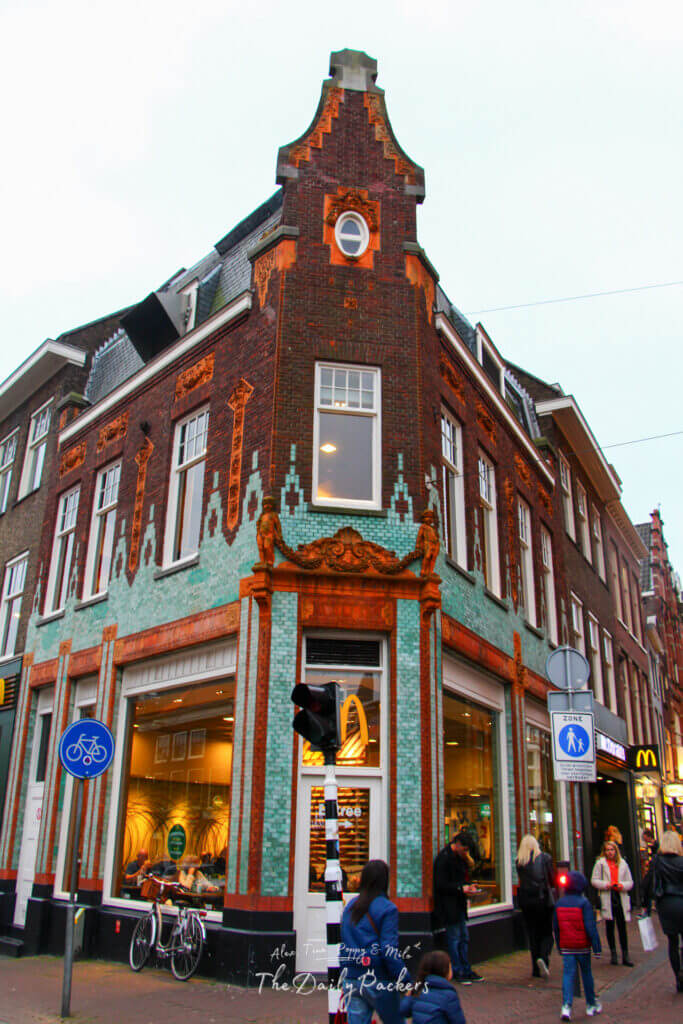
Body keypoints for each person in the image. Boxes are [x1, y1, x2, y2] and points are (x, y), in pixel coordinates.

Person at [340, 859, 410, 1024]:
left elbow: (344, 941)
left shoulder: (350, 906)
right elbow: (388, 949)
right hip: (378, 977)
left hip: (352, 976)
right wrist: (404, 978)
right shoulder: (387, 908)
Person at [433, 832, 484, 984]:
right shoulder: (444, 858)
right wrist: (461, 889)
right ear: (458, 844)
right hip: (449, 907)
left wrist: (467, 887)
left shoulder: (458, 859)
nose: (466, 852)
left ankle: (466, 968)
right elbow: (440, 884)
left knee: (463, 938)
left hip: (458, 906)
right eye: (465, 849)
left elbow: (459, 880)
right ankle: (458, 970)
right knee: (455, 938)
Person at [552, 870, 602, 1020]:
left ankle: (566, 1006)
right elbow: (590, 927)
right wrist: (597, 947)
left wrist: (559, 946)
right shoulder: (584, 903)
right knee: (586, 973)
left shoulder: (559, 903)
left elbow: (556, 927)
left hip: (567, 945)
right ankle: (591, 1004)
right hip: (582, 946)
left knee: (568, 974)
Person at [642, 829, 683, 993]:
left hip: (666, 904)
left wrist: (646, 904)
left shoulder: (657, 861)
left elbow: (647, 884)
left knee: (672, 942)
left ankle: (678, 977)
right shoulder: (681, 861)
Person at [516, 834, 555, 978]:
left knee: (532, 934)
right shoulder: (545, 858)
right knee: (546, 932)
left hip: (526, 902)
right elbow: (552, 879)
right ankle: (543, 958)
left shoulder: (519, 862)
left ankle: (535, 969)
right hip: (542, 900)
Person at [590, 839, 634, 966]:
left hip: (620, 895)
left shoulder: (623, 863)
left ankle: (625, 955)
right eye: (608, 850)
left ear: (616, 851)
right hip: (608, 895)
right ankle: (613, 954)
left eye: (612, 850)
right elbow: (594, 880)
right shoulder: (600, 864)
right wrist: (606, 885)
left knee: (622, 926)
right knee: (610, 926)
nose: (610, 852)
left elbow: (630, 882)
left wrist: (622, 885)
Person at [400, 950, 466, 1023]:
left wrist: (408, 996)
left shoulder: (418, 988)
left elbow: (404, 1010)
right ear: (445, 970)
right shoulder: (449, 995)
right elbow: (459, 1021)